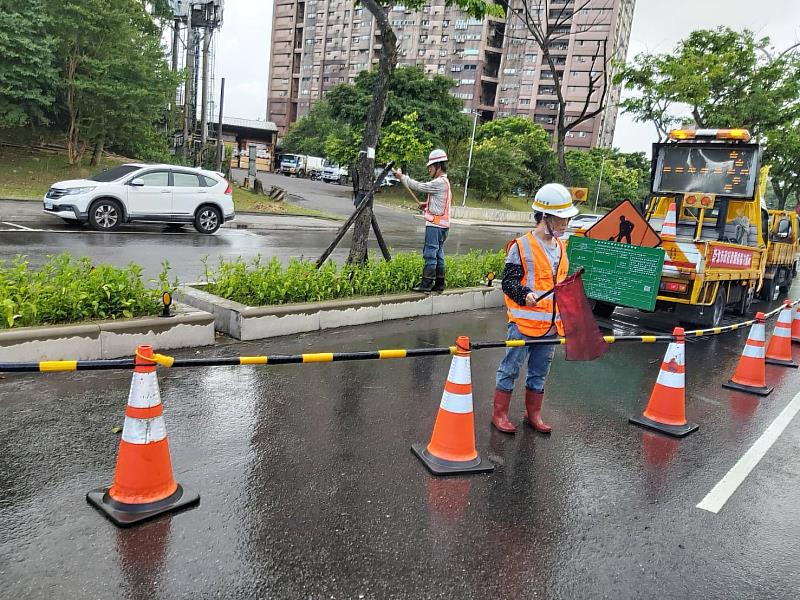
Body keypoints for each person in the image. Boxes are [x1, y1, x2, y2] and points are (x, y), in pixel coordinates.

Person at [491, 183, 579, 434]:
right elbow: (508, 282)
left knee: (540, 373)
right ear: (545, 217)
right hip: (523, 325)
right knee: (510, 369)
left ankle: (534, 414)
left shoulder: (561, 247)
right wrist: (524, 294)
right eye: (562, 219)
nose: (566, 224)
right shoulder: (521, 246)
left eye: (568, 219)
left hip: (551, 326)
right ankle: (499, 414)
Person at [393, 149, 451, 293]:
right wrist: (427, 204)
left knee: (430, 254)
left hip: (435, 226)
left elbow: (419, 186)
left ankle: (426, 285)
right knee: (439, 255)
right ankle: (439, 285)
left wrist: (402, 177)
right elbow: (441, 203)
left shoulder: (439, 182)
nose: (429, 169)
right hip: (442, 226)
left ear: (438, 166)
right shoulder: (445, 182)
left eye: (430, 166)